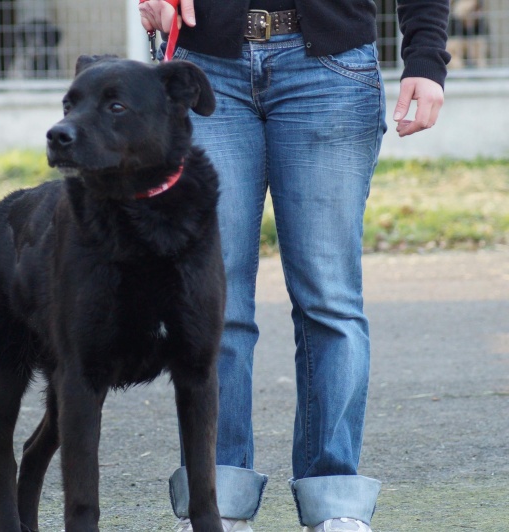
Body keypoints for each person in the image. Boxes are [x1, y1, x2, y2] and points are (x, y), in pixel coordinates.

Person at [137, 1, 449, 531]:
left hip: (330, 68)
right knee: (215, 301)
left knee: (329, 299)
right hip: (205, 63)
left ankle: (334, 502)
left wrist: (425, 57)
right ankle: (219, 504)